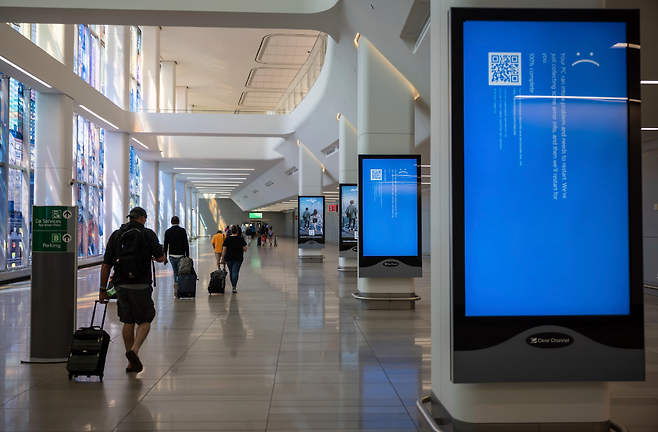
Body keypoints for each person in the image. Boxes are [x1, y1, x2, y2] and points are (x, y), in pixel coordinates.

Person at [99, 207, 165, 374]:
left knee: (128, 321)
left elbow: (106, 264)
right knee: (145, 320)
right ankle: (134, 350)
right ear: (143, 217)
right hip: (141, 284)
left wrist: (102, 289)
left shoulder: (116, 234)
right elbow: (161, 258)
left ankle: (130, 363)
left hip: (120, 284)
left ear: (130, 218)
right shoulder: (148, 234)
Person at [163, 216, 189, 293]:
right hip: (180, 254)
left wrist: (165, 257)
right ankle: (178, 284)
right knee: (180, 271)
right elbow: (185, 243)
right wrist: (187, 254)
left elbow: (165, 244)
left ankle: (176, 283)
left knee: (175, 270)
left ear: (171, 222)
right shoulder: (182, 231)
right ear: (179, 222)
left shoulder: (167, 232)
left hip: (171, 255)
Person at [220, 225, 247, 293]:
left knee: (231, 272)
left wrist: (222, 259)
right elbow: (245, 249)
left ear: (231, 231)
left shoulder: (227, 239)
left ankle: (233, 284)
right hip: (238, 257)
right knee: (235, 271)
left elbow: (224, 250)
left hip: (229, 258)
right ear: (237, 231)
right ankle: (234, 286)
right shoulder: (241, 239)